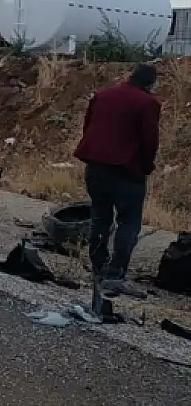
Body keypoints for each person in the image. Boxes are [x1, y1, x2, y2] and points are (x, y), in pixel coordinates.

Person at [73, 63, 161, 299]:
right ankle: (115, 275)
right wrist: (145, 167)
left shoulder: (103, 95)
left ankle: (98, 269)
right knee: (129, 223)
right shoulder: (148, 103)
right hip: (126, 171)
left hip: (96, 167)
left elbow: (88, 127)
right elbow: (149, 141)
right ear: (151, 83)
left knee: (100, 218)